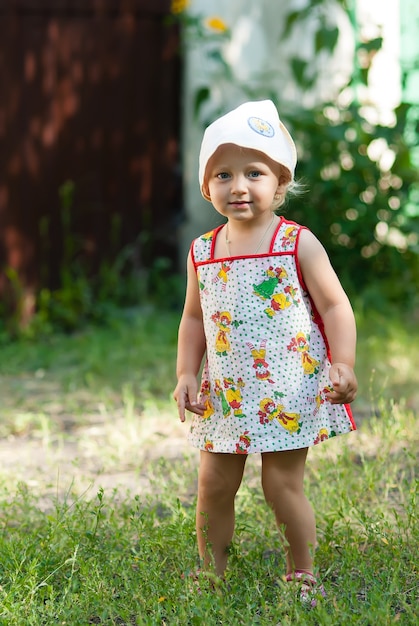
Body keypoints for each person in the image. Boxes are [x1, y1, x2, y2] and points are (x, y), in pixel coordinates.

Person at [173, 100, 357, 603]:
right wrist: (187, 372)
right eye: (223, 174)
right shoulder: (203, 251)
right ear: (207, 186)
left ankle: (302, 570)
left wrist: (343, 363)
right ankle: (211, 571)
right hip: (227, 391)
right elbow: (193, 318)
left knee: (280, 487)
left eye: (254, 172)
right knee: (212, 485)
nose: (238, 186)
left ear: (280, 183)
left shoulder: (295, 242)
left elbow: (336, 306)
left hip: (287, 387)